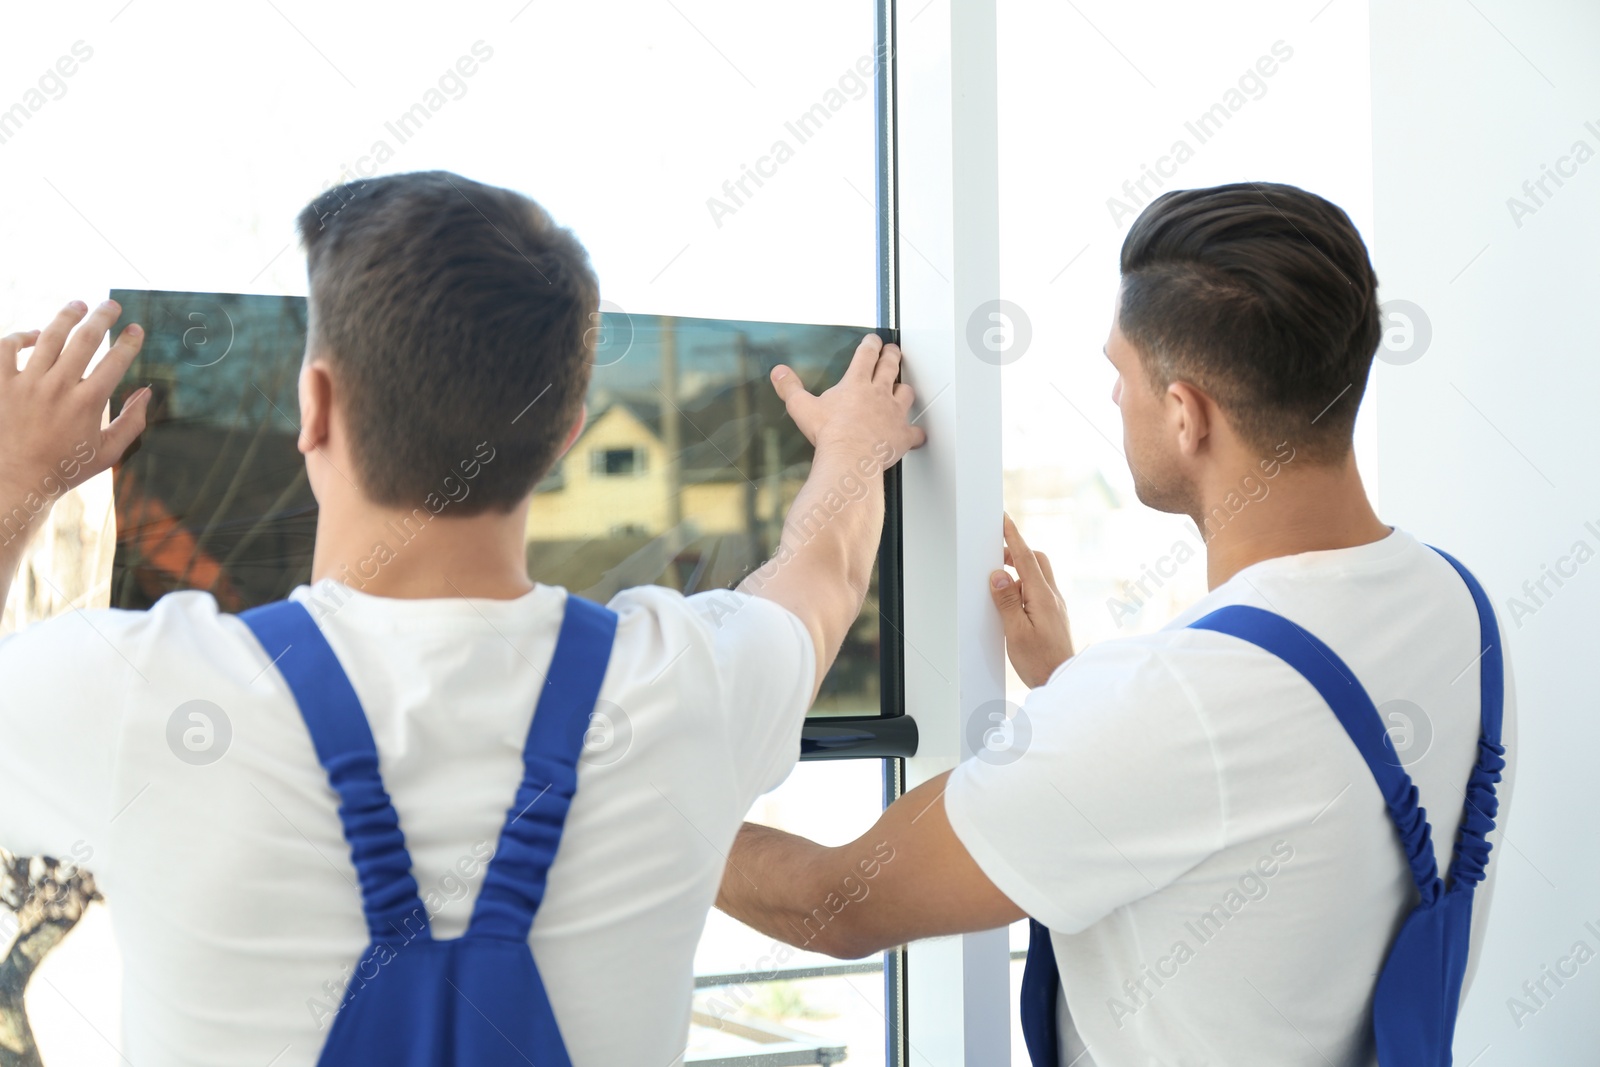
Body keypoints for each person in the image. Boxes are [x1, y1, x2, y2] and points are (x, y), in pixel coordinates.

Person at [0, 170, 924, 1066]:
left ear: (314, 404)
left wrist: (19, 476)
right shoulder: (692, 682)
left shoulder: (142, 696)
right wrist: (854, 442)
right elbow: (826, 575)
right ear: (567, 432)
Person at [716, 182, 1517, 1066]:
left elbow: (835, 903)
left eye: (1121, 372)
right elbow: (1267, 817)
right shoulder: (1459, 607)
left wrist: (646, 799)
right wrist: (1070, 692)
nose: (1111, 395)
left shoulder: (1175, 701)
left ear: (1187, 414)